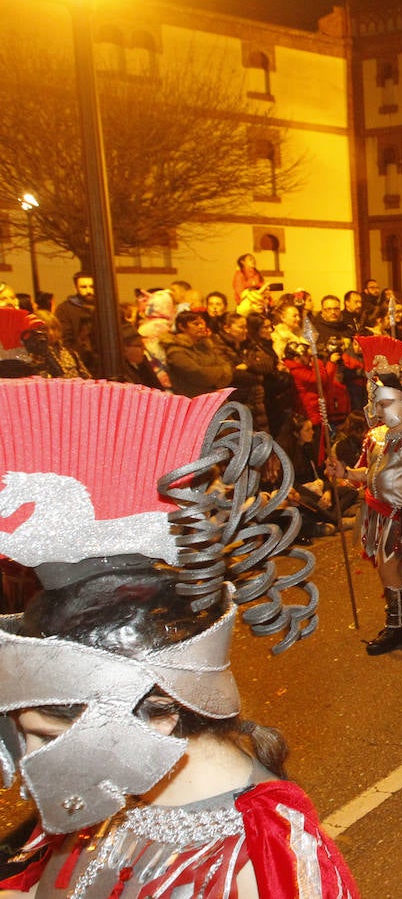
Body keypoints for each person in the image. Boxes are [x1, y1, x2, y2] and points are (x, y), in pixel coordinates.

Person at [0, 378, 355, 897]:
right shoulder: (116, 798)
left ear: (160, 715)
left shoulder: (257, 864)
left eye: (50, 739)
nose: (32, 760)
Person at [327, 335, 402, 655]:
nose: (379, 410)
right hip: (376, 512)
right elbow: (364, 473)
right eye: (376, 404)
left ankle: (397, 625)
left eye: (385, 403)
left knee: (390, 566)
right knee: (389, 565)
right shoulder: (374, 437)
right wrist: (344, 473)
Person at [164, 309, 234, 398]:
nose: (201, 327)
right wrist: (220, 372)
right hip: (194, 402)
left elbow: (227, 366)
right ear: (181, 326)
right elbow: (200, 375)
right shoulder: (176, 352)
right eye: (196, 324)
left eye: (202, 323)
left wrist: (216, 376)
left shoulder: (204, 346)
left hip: (216, 396)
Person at [54, 271, 96, 372]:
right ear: (76, 288)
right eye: (83, 287)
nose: (89, 290)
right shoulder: (64, 310)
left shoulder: (103, 306)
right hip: (79, 361)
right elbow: (65, 338)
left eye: (91, 286)